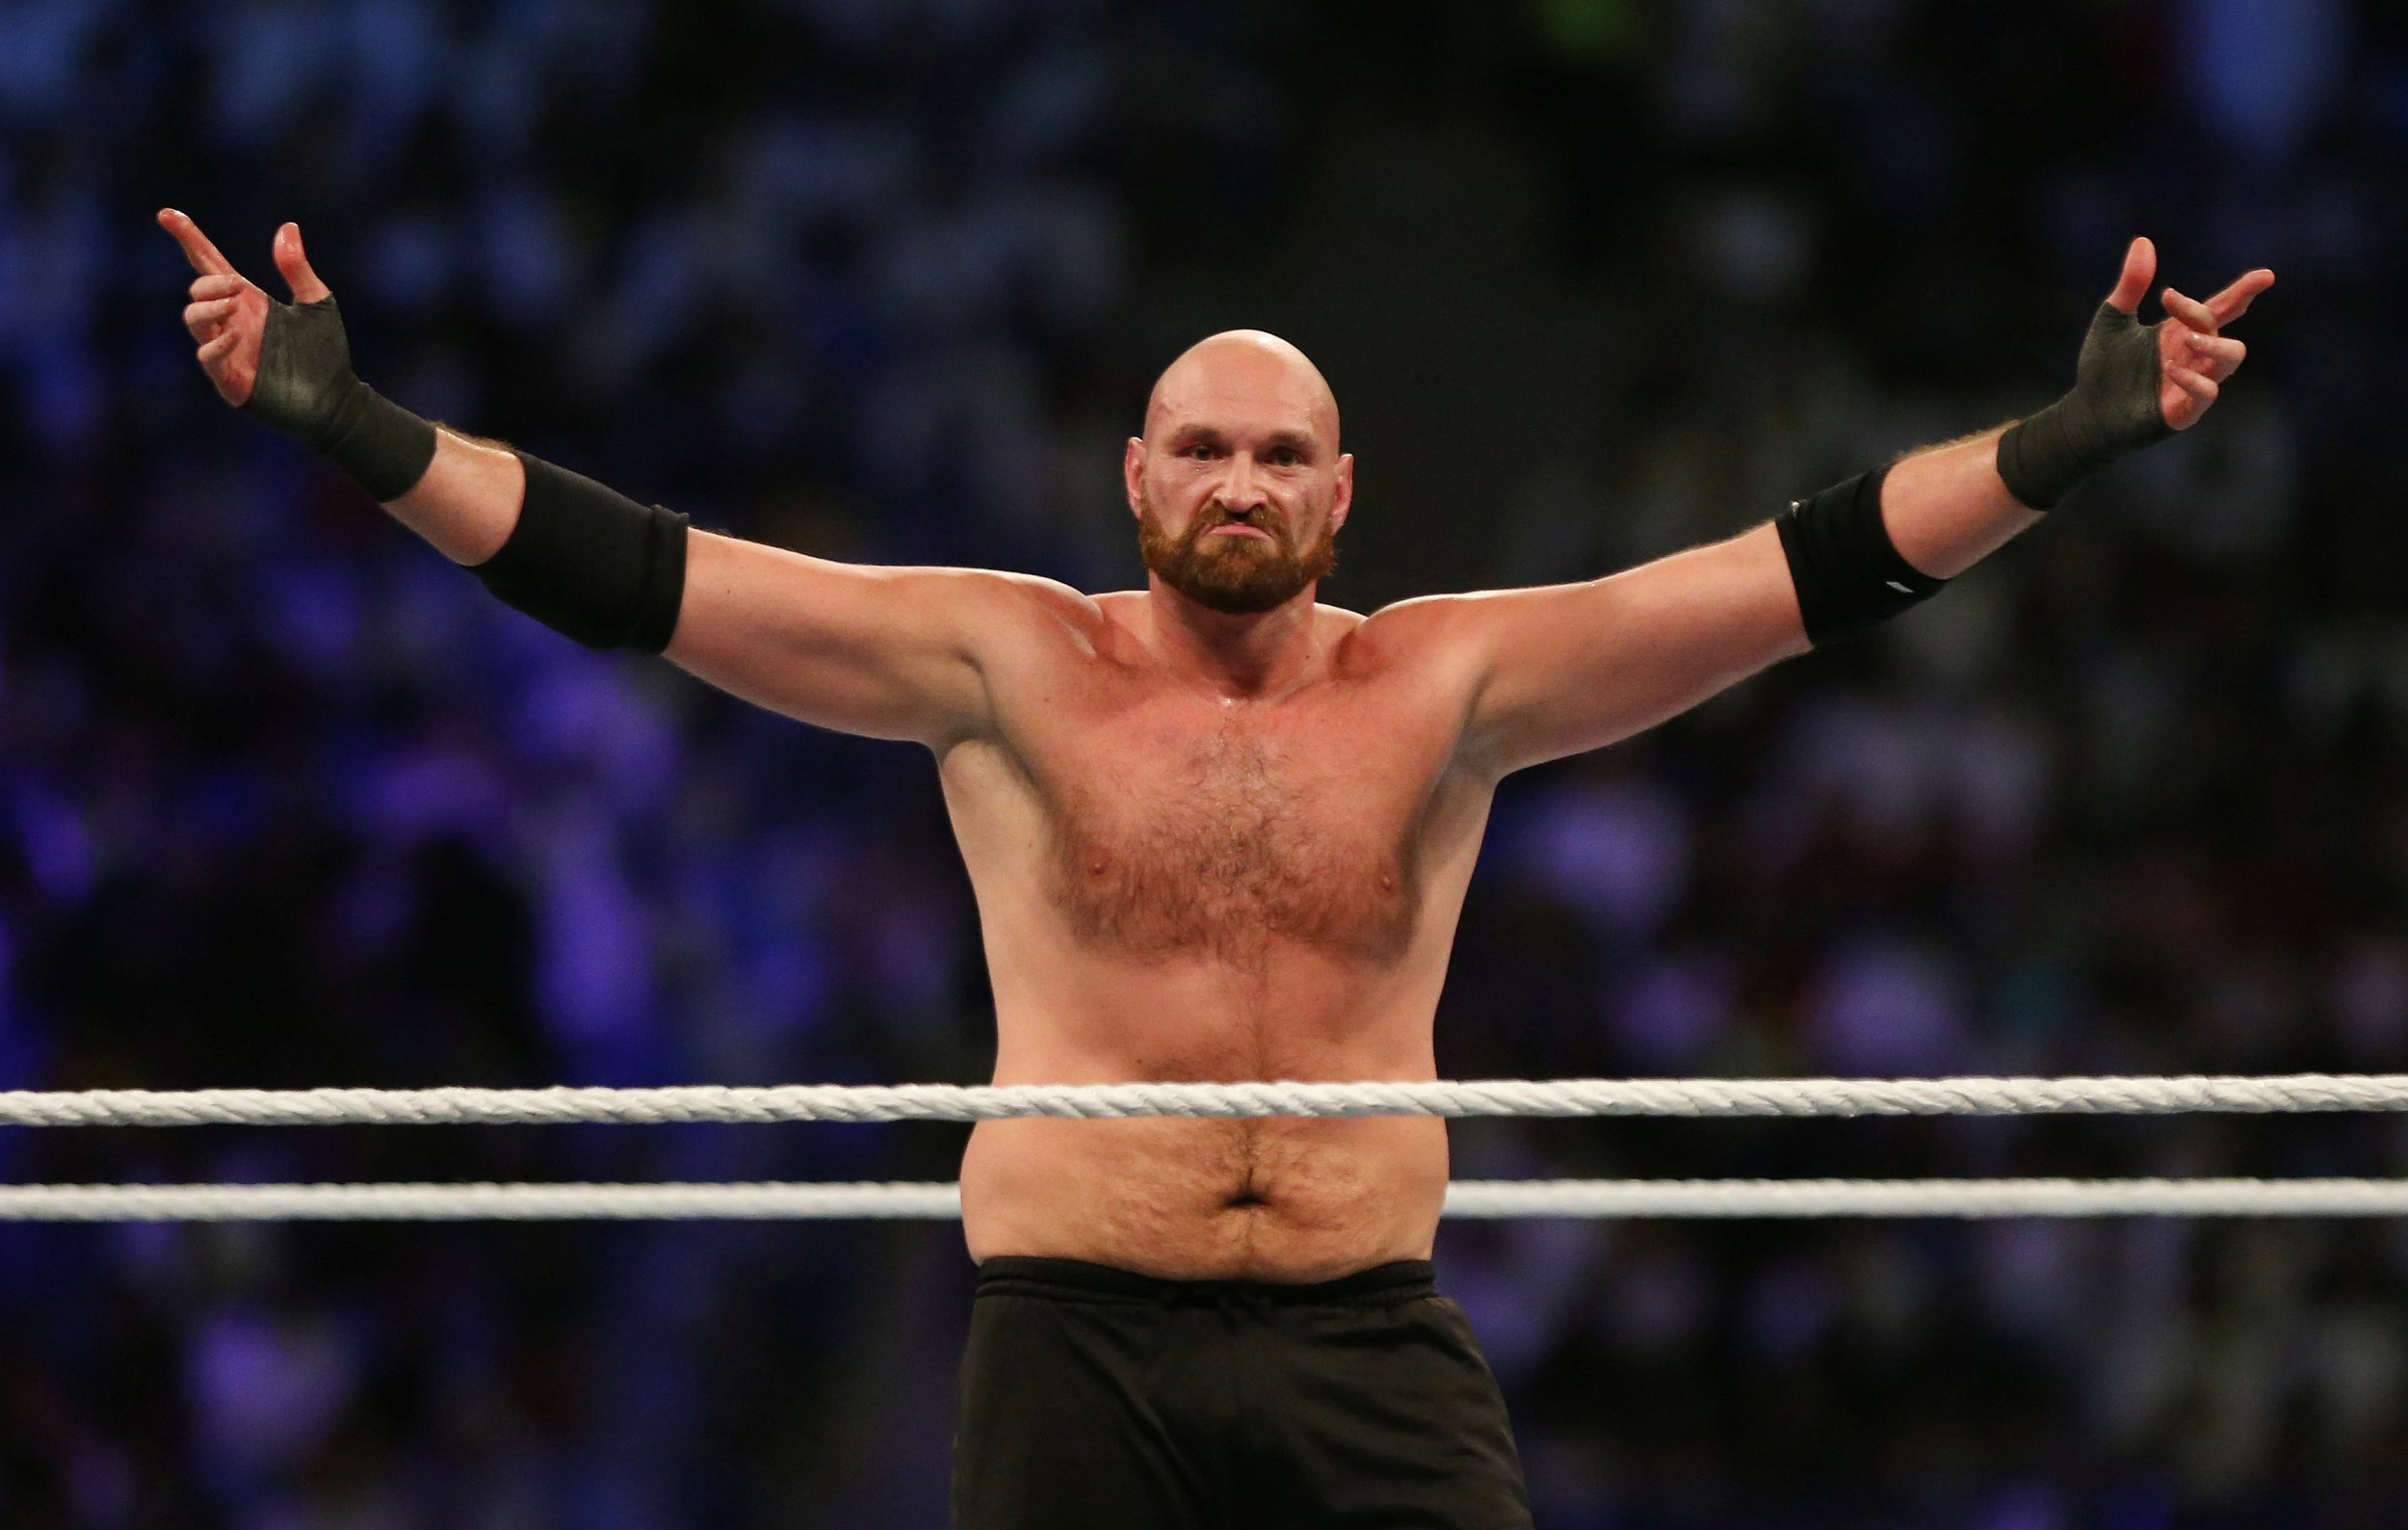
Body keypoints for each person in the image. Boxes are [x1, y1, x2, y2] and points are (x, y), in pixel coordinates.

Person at [159, 205, 2271, 1529]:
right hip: (1075, 1336)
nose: (1237, 481)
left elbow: (1789, 578)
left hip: (1367, 1332)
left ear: (1341, 494)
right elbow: (642, 576)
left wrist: (2059, 444)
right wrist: (360, 429)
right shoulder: (1004, 661)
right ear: (1135, 477)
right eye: (1201, 447)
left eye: (1278, 454)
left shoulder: (1447, 682)